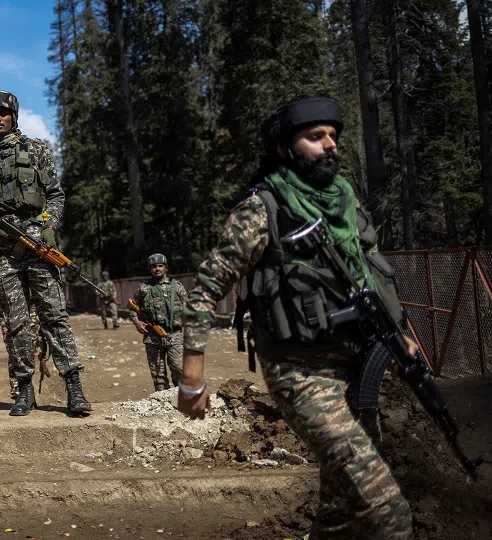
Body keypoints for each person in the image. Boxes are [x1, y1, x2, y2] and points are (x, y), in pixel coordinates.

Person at [177, 97, 416, 539]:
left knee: (342, 505)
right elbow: (207, 285)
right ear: (285, 150)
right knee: (389, 514)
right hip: (300, 372)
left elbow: (373, 275)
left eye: (333, 136)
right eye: (315, 137)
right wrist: (193, 375)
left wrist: (400, 337)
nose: (330, 145)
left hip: (357, 366)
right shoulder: (263, 208)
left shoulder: (345, 201)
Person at [0, 90, 91, 416]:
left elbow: (56, 195)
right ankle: (23, 390)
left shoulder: (36, 150)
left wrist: (49, 226)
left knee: (54, 316)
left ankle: (73, 384)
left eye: (4, 113)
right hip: (3, 252)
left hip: (38, 245)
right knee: (15, 322)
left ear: (14, 117)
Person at [0, 266, 49, 398]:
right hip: (8, 314)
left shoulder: (29, 259)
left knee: (29, 349)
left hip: (32, 314)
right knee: (14, 351)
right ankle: (18, 391)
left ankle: (25, 388)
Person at [128, 254, 187, 391]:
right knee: (158, 373)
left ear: (166, 268)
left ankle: (182, 396)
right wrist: (136, 322)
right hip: (152, 335)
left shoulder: (176, 287)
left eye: (160, 266)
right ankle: (162, 400)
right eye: (154, 266)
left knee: (178, 367)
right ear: (150, 269)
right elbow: (132, 307)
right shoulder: (143, 288)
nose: (157, 269)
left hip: (174, 334)